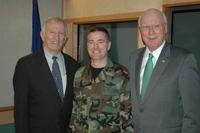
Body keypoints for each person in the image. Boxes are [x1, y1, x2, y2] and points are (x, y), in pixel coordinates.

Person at [130, 8, 200, 133]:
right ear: (140, 31)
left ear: (165, 28)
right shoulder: (134, 57)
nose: (151, 32)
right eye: (145, 27)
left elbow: (193, 114)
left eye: (156, 26)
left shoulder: (184, 59)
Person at [13, 17, 79, 133]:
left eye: (61, 33)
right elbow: (20, 110)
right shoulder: (25, 65)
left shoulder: (74, 65)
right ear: (42, 35)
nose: (56, 37)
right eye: (52, 32)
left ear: (65, 38)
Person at [69, 27, 134, 132]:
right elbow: (75, 110)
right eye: (91, 42)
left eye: (100, 42)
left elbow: (128, 116)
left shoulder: (121, 74)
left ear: (108, 45)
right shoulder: (79, 74)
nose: (95, 47)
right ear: (87, 46)